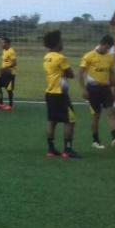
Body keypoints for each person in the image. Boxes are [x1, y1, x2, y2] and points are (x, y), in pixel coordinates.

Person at [79, 35, 115, 149]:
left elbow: (111, 73)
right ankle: (95, 141)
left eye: (109, 48)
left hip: (105, 89)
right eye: (108, 47)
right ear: (103, 44)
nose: (108, 50)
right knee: (96, 115)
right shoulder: (89, 56)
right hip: (93, 89)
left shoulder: (109, 57)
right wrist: (83, 89)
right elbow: (80, 73)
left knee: (111, 112)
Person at [43, 30, 78, 158]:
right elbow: (71, 74)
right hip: (60, 94)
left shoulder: (46, 56)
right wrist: (65, 74)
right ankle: (67, 150)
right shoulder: (60, 57)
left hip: (50, 92)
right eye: (61, 40)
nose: (63, 43)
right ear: (57, 43)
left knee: (52, 120)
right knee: (70, 120)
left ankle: (51, 149)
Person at [0, 37, 17, 110]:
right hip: (4, 72)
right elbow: (5, 61)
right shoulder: (4, 50)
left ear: (7, 43)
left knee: (9, 89)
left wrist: (4, 68)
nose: (1, 44)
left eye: (2, 42)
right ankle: (1, 103)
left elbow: (14, 63)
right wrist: (2, 69)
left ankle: (10, 105)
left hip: (10, 72)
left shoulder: (11, 51)